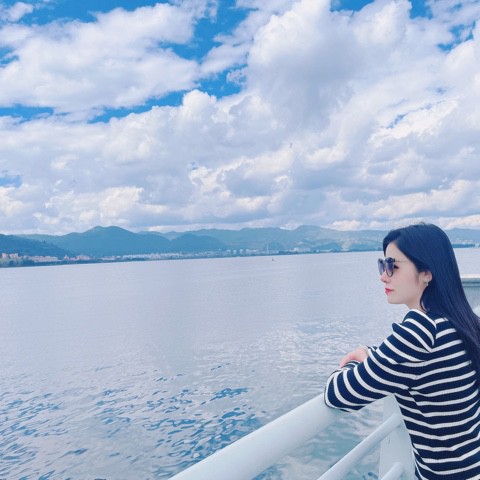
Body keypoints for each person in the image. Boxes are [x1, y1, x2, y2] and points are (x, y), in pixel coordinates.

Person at [324, 223, 480, 480]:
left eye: (392, 266)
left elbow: (338, 393)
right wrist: (373, 355)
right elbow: (417, 361)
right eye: (382, 265)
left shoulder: (420, 331)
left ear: (426, 272)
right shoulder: (461, 321)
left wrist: (354, 362)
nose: (383, 276)